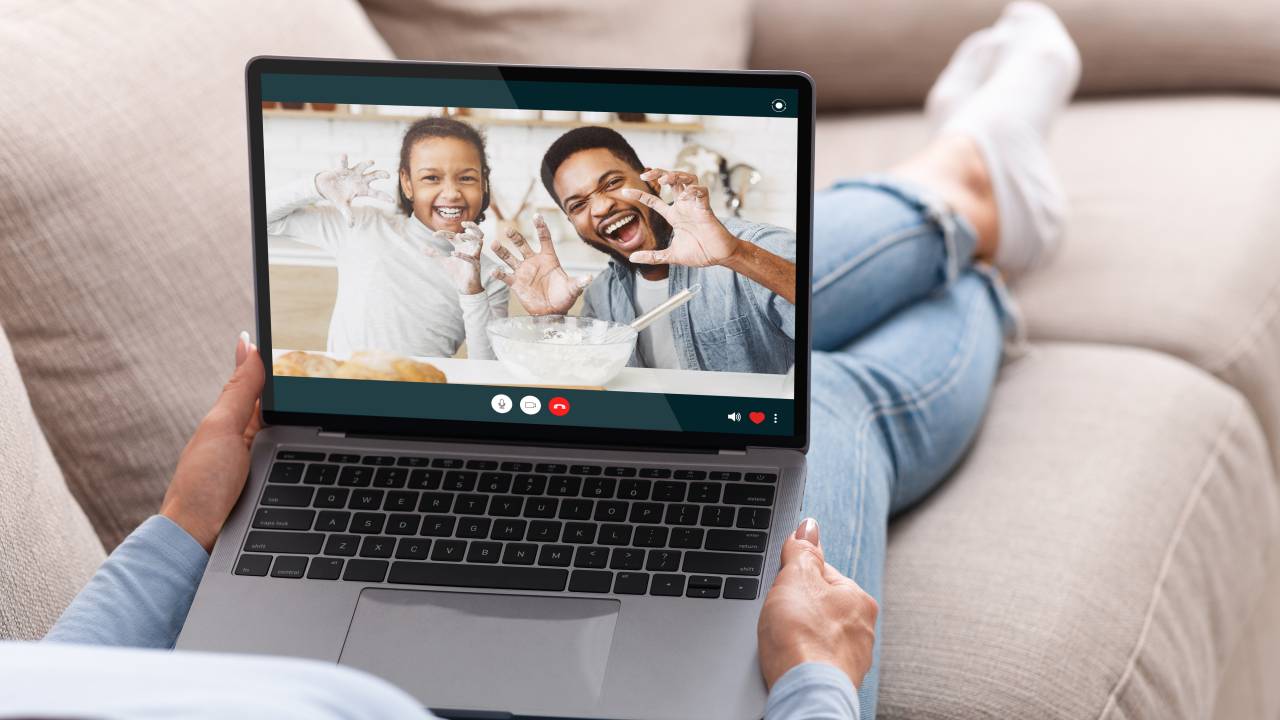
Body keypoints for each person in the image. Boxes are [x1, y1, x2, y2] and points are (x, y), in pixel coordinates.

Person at [15, 3, 1079, 718]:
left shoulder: (535, 265)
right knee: (831, 390)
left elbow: (59, 686)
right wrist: (810, 684)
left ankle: (962, 197)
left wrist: (185, 524)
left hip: (572, 376)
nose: (448, 197)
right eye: (573, 204)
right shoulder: (578, 282)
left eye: (464, 180)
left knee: (788, 330)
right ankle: (968, 213)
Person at [478, 128, 797, 374]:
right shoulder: (602, 295)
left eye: (612, 183)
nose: (601, 207)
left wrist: (736, 255)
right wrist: (551, 321)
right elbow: (584, 392)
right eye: (578, 205)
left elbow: (827, 311)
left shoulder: (750, 244)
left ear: (652, 182)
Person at [266, 116, 508, 360]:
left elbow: (488, 370)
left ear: (483, 184)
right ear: (407, 183)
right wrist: (316, 186)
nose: (451, 193)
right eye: (431, 178)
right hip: (344, 388)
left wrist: (472, 293)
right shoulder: (362, 225)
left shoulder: (490, 276)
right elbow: (260, 219)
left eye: (466, 178)